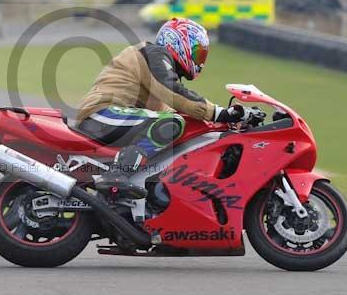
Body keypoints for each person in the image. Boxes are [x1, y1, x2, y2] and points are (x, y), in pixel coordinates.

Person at [77, 17, 246, 199]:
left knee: (172, 123)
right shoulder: (154, 54)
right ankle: (116, 175)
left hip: (115, 117)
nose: (200, 61)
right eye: (197, 53)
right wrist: (220, 113)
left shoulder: (158, 66)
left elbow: (174, 107)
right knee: (170, 123)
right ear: (178, 42)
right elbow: (174, 92)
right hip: (103, 114)